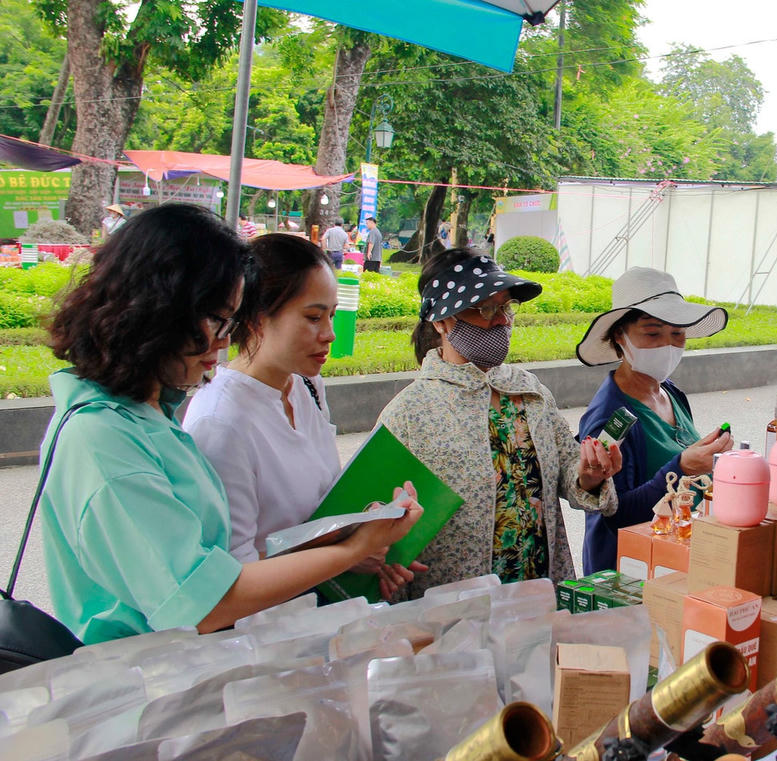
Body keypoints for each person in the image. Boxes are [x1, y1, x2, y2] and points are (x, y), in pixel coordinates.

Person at [39, 204, 422, 644]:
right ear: (159, 309)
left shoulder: (149, 412)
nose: (225, 340)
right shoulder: (103, 441)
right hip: (146, 685)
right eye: (218, 319)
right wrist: (354, 547)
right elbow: (207, 602)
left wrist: (354, 544)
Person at [183, 234, 424, 602]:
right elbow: (232, 576)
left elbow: (319, 512)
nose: (329, 334)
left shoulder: (306, 384)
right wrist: (351, 551)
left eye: (331, 315)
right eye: (312, 317)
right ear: (257, 318)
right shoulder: (220, 422)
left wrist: (367, 536)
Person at [376, 248, 620, 596]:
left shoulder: (528, 390)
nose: (503, 321)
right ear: (442, 321)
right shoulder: (410, 412)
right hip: (458, 609)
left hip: (537, 591)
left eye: (506, 307)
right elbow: (371, 513)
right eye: (486, 309)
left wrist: (588, 476)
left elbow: (567, 465)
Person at [574, 268, 733, 573]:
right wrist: (682, 467)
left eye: (677, 333)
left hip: (674, 558)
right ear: (620, 336)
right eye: (652, 333)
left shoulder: (671, 392)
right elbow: (615, 514)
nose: (668, 345)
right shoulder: (609, 418)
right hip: (630, 575)